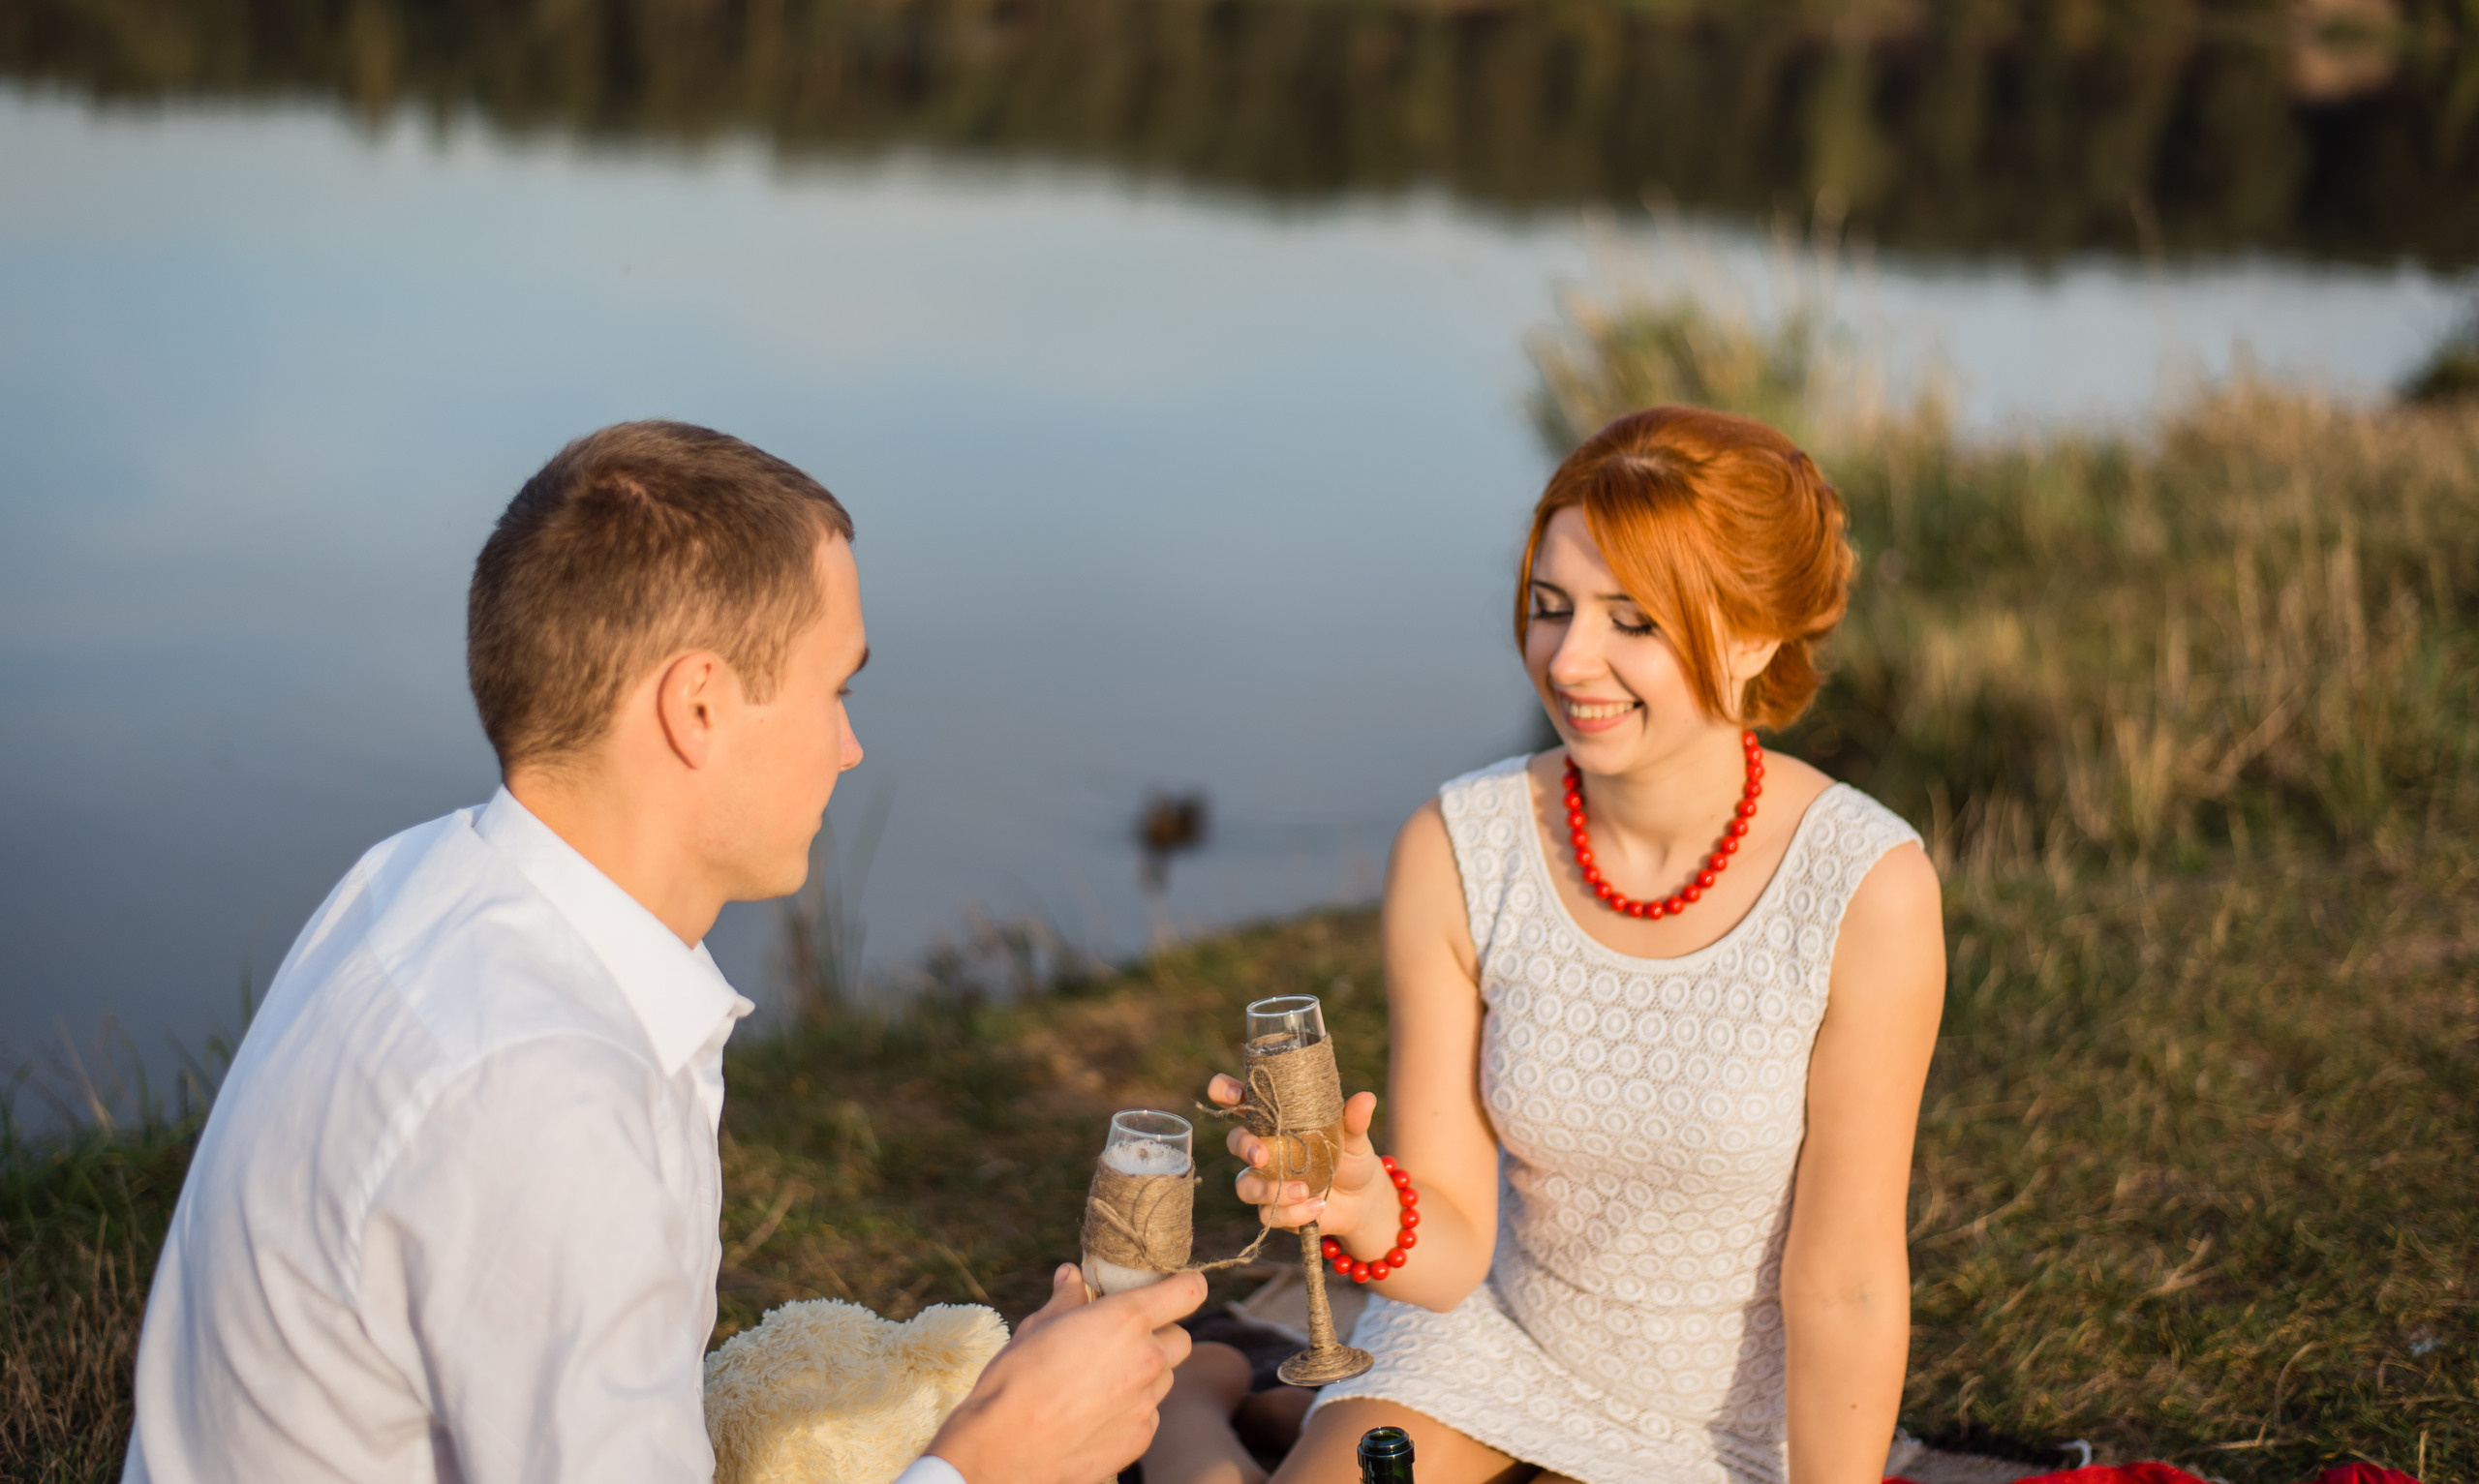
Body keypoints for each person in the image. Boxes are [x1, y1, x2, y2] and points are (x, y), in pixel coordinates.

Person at [125, 421, 1204, 1484]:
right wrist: (991, 1461)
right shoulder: (548, 1094)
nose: (850, 745)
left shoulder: (411, 877)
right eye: (837, 688)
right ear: (697, 706)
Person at [1154, 406, 1944, 1484]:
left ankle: (1249, 1403)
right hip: (1494, 1342)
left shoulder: (1865, 885)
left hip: (1732, 1414)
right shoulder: (1457, 847)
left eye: (1634, 619)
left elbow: (1847, 1276)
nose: (1570, 658)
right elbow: (1451, 1245)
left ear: (1753, 634)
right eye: (1550, 606)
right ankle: (1186, 1408)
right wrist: (1365, 1200)